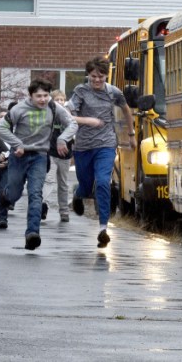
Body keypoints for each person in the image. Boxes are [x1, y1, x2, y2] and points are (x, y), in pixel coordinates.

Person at [0, 79, 77, 251]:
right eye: (38, 96)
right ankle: (6, 195)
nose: (42, 99)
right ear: (30, 96)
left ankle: (32, 233)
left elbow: (73, 123)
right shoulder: (19, 109)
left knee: (35, 194)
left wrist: (63, 139)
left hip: (40, 155)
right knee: (15, 193)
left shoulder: (54, 107)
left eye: (46, 96)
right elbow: (0, 129)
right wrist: (16, 143)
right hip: (19, 155)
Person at [70, 56, 135, 248]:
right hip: (83, 146)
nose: (97, 80)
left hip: (106, 144)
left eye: (101, 76)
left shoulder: (114, 93)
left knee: (103, 182)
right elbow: (69, 115)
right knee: (86, 184)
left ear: (106, 75)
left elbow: (126, 110)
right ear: (88, 76)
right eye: (93, 77)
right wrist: (86, 120)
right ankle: (78, 194)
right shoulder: (80, 91)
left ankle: (103, 229)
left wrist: (131, 134)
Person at [44, 90, 74, 223]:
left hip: (65, 154)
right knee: (49, 180)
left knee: (63, 183)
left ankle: (64, 211)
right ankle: (42, 205)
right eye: (57, 99)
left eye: (62, 99)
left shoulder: (69, 115)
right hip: (50, 152)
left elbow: (74, 131)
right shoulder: (49, 113)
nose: (60, 102)